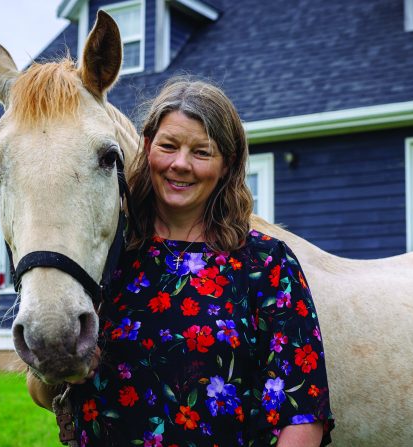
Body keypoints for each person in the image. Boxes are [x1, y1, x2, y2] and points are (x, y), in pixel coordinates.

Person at [29, 78, 334, 446]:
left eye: (202, 152)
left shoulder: (267, 266)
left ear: (228, 164)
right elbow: (45, 394)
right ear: (147, 147)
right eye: (168, 146)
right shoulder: (108, 258)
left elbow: (303, 415)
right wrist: (65, 372)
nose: (180, 164)